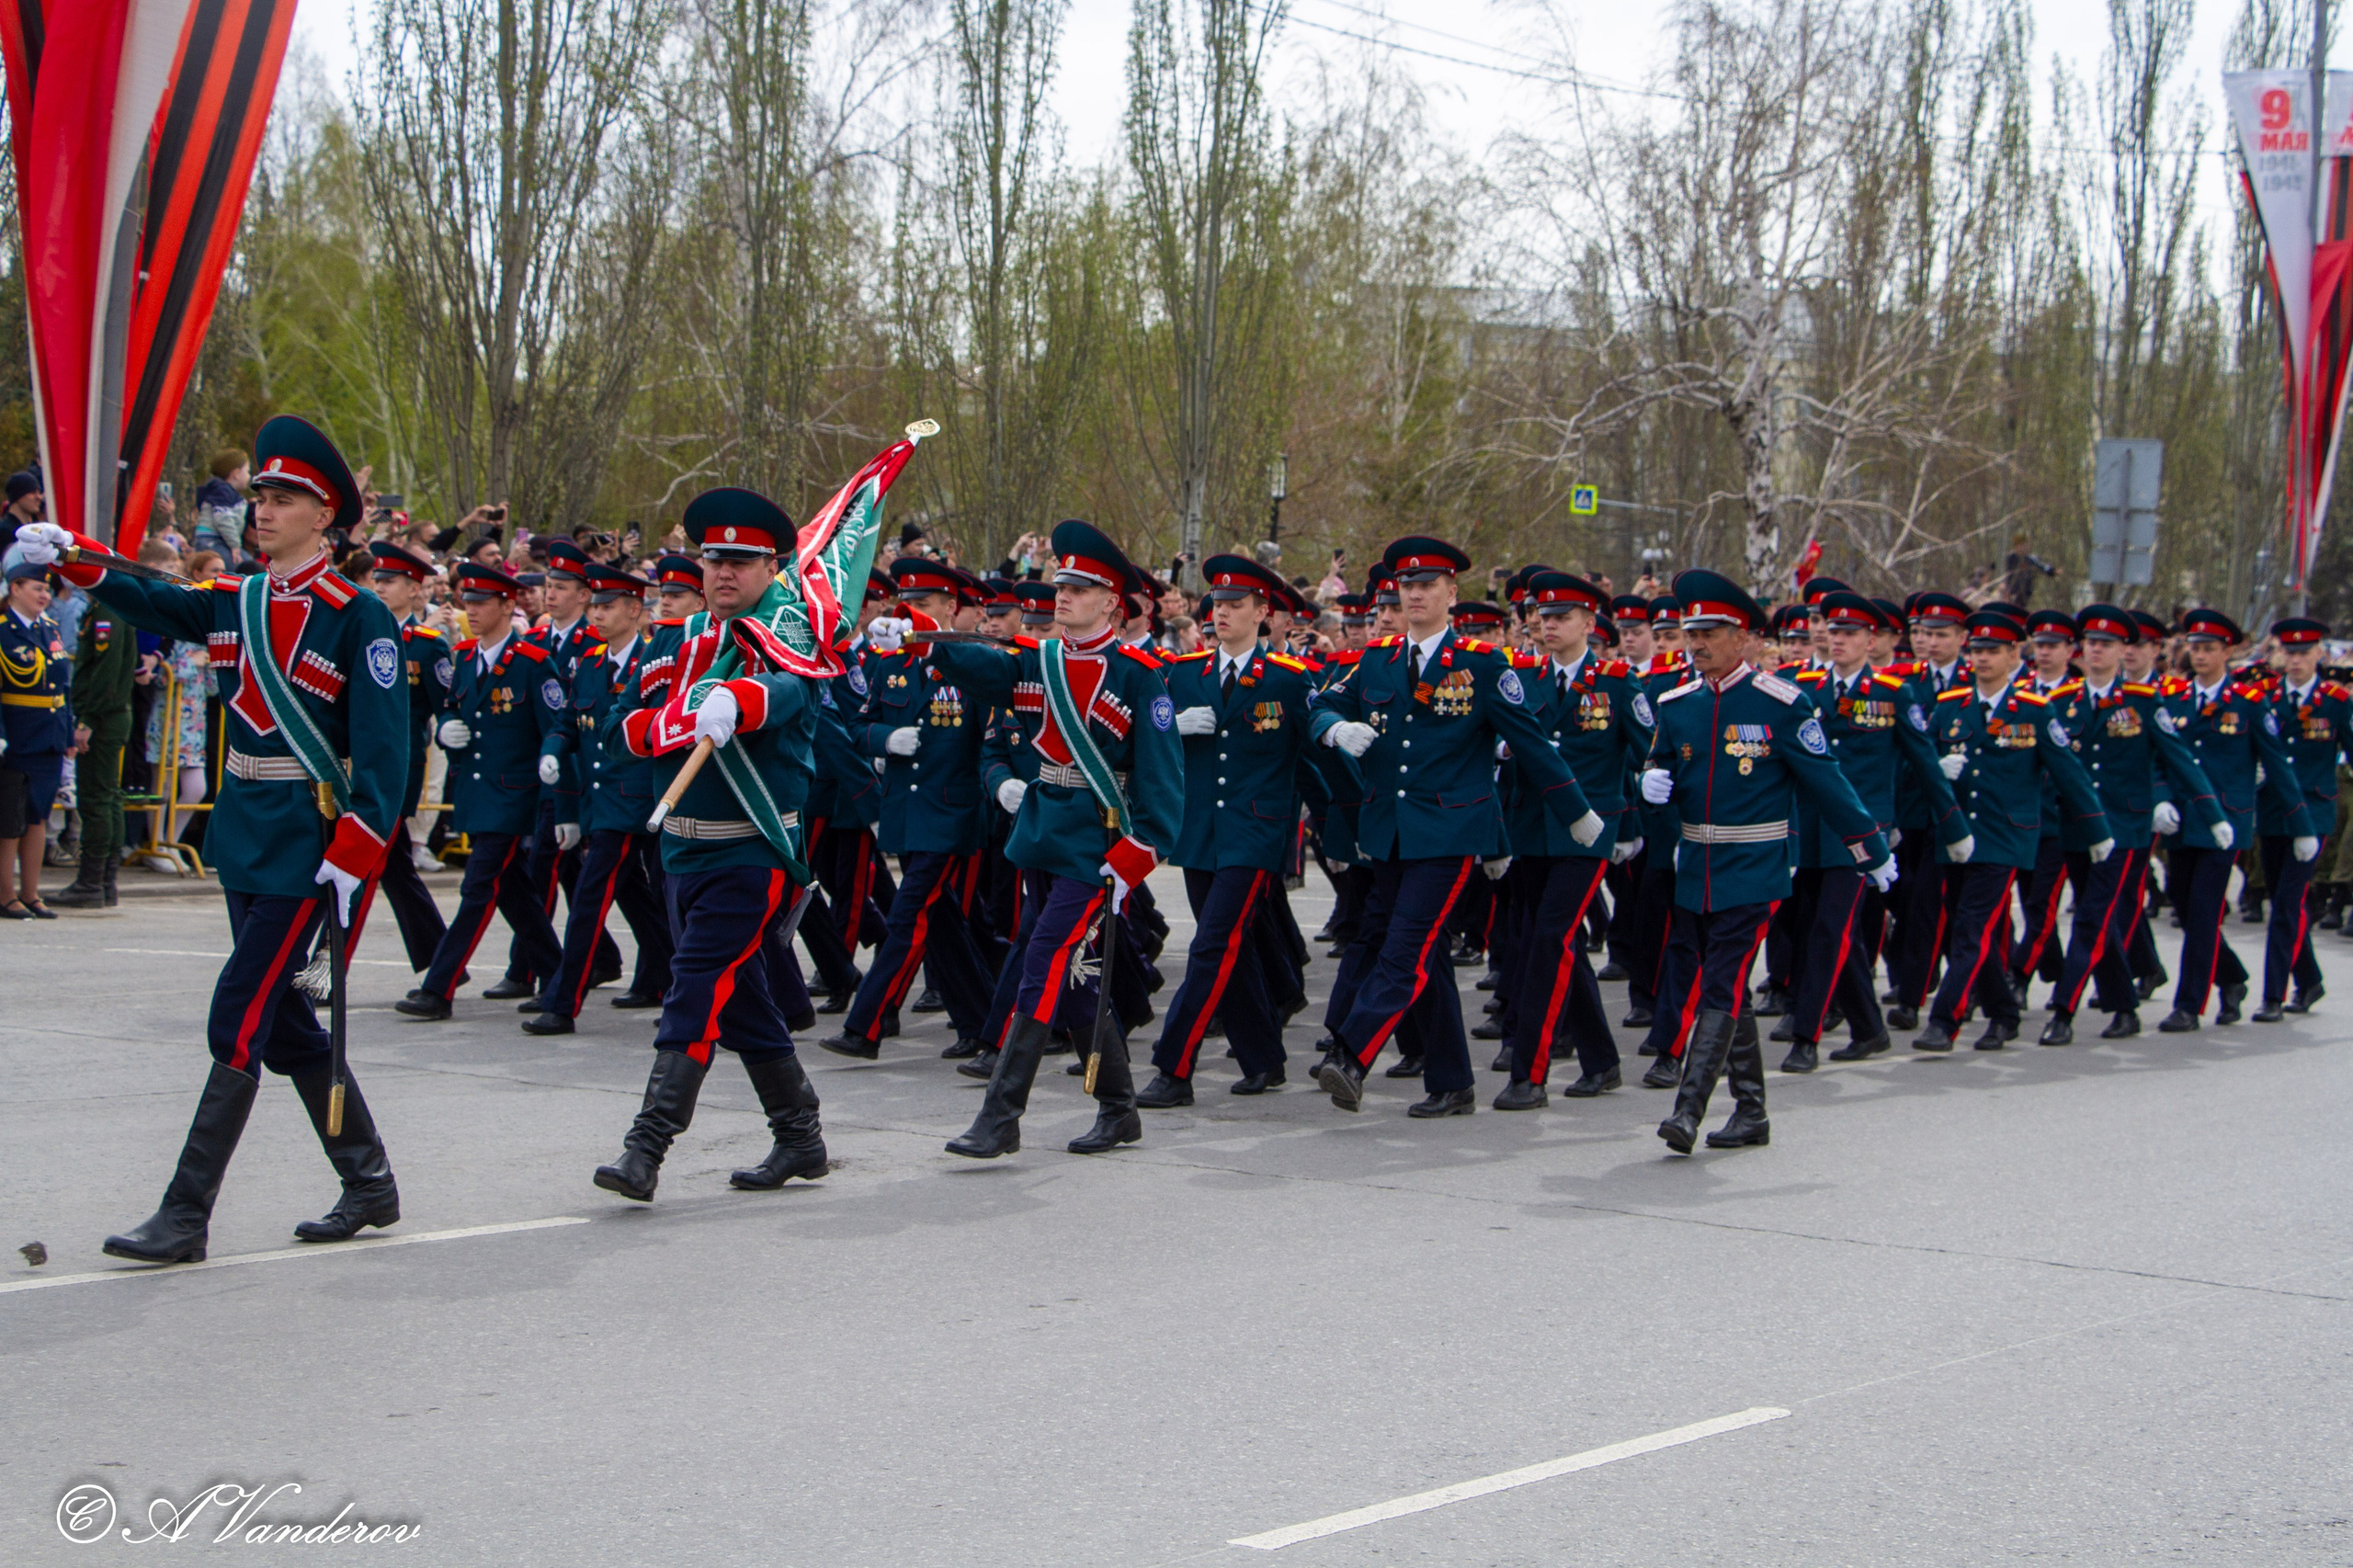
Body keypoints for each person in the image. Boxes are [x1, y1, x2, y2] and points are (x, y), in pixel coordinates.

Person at [19, 415, 409, 1259]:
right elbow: (154, 598)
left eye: (283, 499)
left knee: (239, 1014)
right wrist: (74, 553)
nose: (262, 510)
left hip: (310, 848)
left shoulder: (359, 618)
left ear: (325, 515)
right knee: (287, 1026)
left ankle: (187, 1212)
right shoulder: (240, 597)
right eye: (261, 495)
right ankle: (368, 1179)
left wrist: (354, 852)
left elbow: (384, 755)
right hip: (243, 836)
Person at [909, 518, 1184, 1157]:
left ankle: (1001, 1115)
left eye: (1080, 589)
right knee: (1080, 977)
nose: (1063, 596)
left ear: (1112, 602)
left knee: (1045, 963)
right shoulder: (1039, 660)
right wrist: (930, 645)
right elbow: (984, 668)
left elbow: (1164, 783)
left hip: (1096, 840)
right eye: (1061, 584)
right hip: (1042, 831)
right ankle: (1119, 1108)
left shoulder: (1142, 676)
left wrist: (1138, 854)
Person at [1307, 535, 1602, 1119]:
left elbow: (1531, 745)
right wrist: (1333, 730)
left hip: (1449, 833)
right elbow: (1322, 702)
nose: (1414, 595)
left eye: (1426, 586)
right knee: (1428, 958)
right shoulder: (1378, 659)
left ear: (1451, 593)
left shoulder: (1482, 664)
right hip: (1388, 831)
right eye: (1406, 587)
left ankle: (1352, 1051)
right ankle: (1452, 1082)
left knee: (1405, 945)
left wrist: (1578, 813)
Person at [595, 487, 826, 1200]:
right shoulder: (677, 640)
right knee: (740, 998)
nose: (724, 572)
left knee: (692, 988)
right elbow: (625, 723)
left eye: (743, 561)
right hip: (681, 853)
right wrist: (677, 721)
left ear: (771, 568)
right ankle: (800, 1135)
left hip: (748, 854)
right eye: (714, 558)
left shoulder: (786, 638)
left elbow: (789, 696)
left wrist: (740, 701)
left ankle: (648, 1146)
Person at [1636, 570, 1894, 1153]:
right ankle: (1751, 1111)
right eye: (1690, 631)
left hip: (1756, 864)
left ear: (1745, 637)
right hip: (1696, 865)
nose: (1696, 643)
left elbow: (1828, 784)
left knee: (1721, 985)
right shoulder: (1676, 704)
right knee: (1726, 990)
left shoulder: (1781, 703)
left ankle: (1687, 1111)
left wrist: (1869, 849)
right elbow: (1661, 769)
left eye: (1710, 632)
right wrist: (1648, 783)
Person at [1134, 553, 1319, 1107]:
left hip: (1255, 835)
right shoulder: (1183, 673)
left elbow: (1315, 750)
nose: (1223, 613)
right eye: (1217, 603)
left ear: (1263, 612)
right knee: (1228, 948)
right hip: (1199, 832)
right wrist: (1170, 729)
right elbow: (1147, 737)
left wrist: (1339, 819)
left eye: (1237, 605)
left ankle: (1174, 1068)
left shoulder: (1290, 680)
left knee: (1211, 946)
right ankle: (1264, 1057)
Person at [1771, 592, 1970, 1073]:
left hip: (1863, 833)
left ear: (1871, 640)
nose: (1837, 641)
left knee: (1830, 930)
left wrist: (1953, 826)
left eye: (1850, 634)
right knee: (1822, 929)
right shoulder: (1802, 688)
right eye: (1832, 632)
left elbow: (1924, 764)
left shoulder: (1891, 692)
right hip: (1812, 828)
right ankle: (1868, 1027)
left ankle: (1806, 1034)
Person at [815, 557, 999, 1060]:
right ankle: (984, 1025)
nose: (912, 612)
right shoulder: (889, 664)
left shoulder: (971, 660)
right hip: (903, 812)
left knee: (907, 916)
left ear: (949, 608)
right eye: (907, 604)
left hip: (950, 812)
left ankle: (866, 1026)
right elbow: (857, 725)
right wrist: (884, 738)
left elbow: (990, 743)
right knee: (943, 926)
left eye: (923, 604)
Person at [1908, 610, 2110, 1051]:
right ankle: (2003, 1011)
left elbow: (2069, 773)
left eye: (1992, 651)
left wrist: (2097, 830)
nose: (1981, 659)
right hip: (1957, 835)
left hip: (2005, 837)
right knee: (1969, 928)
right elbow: (1918, 762)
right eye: (1976, 650)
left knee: (1971, 931)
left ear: (2013, 654)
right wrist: (1938, 772)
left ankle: (1945, 1021)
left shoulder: (2035, 711)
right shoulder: (1951, 707)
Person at [1488, 571, 1654, 1108]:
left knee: (1549, 939)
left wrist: (1632, 823)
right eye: (1544, 616)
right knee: (1559, 943)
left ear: (1589, 622)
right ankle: (1602, 1061)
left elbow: (1649, 752)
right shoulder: (1524, 677)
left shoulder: (1617, 681)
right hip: (1531, 828)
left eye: (1561, 617)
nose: (1548, 625)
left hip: (1587, 831)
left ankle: (1528, 1071)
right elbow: (1502, 744)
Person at [2035, 605, 2222, 1045]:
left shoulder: (2142, 702)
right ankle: (2123, 1006)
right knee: (2099, 919)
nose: (2097, 651)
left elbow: (2179, 760)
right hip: (2078, 826)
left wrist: (2212, 814)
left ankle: (2063, 1009)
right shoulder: (2061, 704)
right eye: (2091, 643)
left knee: (2090, 917)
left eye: (2107, 644)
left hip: (2126, 827)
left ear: (2123, 652)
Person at [392, 560, 566, 1019]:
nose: (470, 610)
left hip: (514, 794)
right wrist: (447, 725)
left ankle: (439, 987)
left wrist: (551, 754)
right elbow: (448, 704)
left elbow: (556, 723)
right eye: (466, 601)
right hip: (476, 790)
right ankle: (559, 973)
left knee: (479, 887)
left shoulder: (532, 662)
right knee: (515, 893)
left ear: (507, 606)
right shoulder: (465, 657)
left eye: (480, 602)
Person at [525, 559, 675, 1032]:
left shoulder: (652, 664)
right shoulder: (589, 664)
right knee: (632, 898)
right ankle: (657, 980)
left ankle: (562, 1002)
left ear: (635, 610)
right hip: (601, 802)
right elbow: (568, 722)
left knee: (622, 897)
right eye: (596, 606)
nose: (597, 614)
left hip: (641, 798)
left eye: (608, 606)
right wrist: (552, 751)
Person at [2155, 608, 2311, 1032]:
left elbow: (2278, 766)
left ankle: (2189, 1004)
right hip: (2184, 820)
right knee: (2185, 908)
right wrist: (2161, 799)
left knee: (2205, 911)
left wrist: (2301, 825)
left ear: (2228, 652)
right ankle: (2232, 977)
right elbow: (2161, 761)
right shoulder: (2173, 700)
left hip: (2227, 823)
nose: (2200, 655)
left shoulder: (2248, 703)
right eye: (2195, 647)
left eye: (2209, 649)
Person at [356, 540, 452, 973]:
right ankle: (441, 957)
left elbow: (446, 705)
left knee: (363, 861)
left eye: (389, 581)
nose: (379, 587)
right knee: (394, 866)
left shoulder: (427, 645)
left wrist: (449, 726)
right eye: (376, 579)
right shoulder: (359, 630)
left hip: (398, 767)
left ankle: (327, 965)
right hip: (355, 764)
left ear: (416, 589)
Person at [2252, 617, 2349, 1018]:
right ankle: (2309, 978)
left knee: (2288, 904)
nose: (2295, 661)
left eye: (2304, 653)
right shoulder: (2264, 698)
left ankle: (2274, 994)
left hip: (2312, 814)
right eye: (2289, 653)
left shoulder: (2336, 702)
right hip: (2273, 810)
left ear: (2319, 655)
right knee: (2282, 898)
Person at [51, 557, 141, 909]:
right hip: (113, 714)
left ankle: (92, 881)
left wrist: (86, 719)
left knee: (96, 798)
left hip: (103, 716)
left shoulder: (107, 613)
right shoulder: (109, 610)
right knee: (108, 797)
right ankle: (104, 882)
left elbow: (103, 671)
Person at [0, 560, 73, 918]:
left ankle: (31, 893)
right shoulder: (3, 630)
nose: (45, 595)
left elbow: (63, 684)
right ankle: (4, 895)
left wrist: (70, 728)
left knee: (37, 817)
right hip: (16, 733)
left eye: (46, 589)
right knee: (10, 818)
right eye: (36, 588)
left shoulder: (50, 629)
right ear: (14, 589)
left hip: (50, 735)